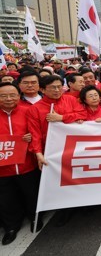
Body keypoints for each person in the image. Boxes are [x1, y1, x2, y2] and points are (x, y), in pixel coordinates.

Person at [26, 75, 86, 227]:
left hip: (73, 149)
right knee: (56, 182)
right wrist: (38, 154)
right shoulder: (35, 109)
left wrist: (62, 117)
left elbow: (82, 114)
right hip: (51, 152)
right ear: (42, 89)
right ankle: (61, 209)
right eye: (52, 87)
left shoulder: (70, 100)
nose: (57, 90)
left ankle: (75, 206)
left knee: (73, 178)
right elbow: (35, 134)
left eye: (59, 86)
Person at [0, 83, 40, 245]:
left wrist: (31, 138)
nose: (9, 99)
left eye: (12, 95)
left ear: (19, 96)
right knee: (6, 199)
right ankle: (11, 227)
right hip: (3, 169)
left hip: (27, 164)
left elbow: (37, 132)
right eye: (3, 95)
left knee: (31, 193)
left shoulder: (28, 111)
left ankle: (34, 218)